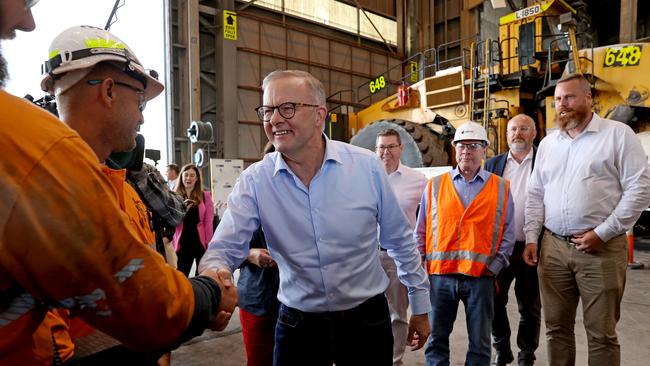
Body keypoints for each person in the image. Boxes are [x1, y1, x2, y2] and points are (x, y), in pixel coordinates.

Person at [0, 10, 235, 365]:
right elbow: (147, 306)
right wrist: (211, 294)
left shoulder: (117, 186)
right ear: (109, 91)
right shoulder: (48, 168)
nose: (142, 117)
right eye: (140, 102)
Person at [200, 69, 431, 365]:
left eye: (287, 108)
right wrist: (213, 279)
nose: (274, 119)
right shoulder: (256, 180)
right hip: (298, 326)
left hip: (366, 323)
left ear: (319, 114)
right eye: (267, 110)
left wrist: (420, 307)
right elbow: (225, 247)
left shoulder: (366, 168)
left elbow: (400, 241)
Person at [523, 73, 650, 366]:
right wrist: (532, 237)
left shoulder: (617, 135)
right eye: (557, 100)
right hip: (553, 248)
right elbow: (535, 193)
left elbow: (640, 189)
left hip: (601, 250)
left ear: (588, 98)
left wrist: (603, 233)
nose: (562, 105)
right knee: (556, 329)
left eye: (569, 97)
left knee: (601, 333)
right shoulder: (549, 144)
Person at [416, 121, 515, 366]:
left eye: (473, 146)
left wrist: (494, 267)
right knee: (436, 340)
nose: (466, 151)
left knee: (480, 345)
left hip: (480, 278)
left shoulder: (500, 187)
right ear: (454, 149)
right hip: (440, 278)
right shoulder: (435, 186)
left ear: (484, 150)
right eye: (461, 146)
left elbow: (508, 232)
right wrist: (420, 266)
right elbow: (421, 231)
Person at [485, 114, 541, 366]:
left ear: (534, 133)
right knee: (494, 302)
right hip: (499, 249)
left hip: (533, 247)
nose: (517, 134)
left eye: (524, 129)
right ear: (506, 134)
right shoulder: (492, 165)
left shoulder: (544, 161)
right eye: (513, 129)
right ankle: (502, 350)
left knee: (529, 307)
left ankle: (526, 354)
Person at [375, 128, 427, 366]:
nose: (386, 152)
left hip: (399, 258)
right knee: (367, 312)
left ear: (401, 148)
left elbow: (429, 219)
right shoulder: (367, 176)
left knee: (397, 314)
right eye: (381, 147)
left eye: (391, 146)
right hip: (367, 256)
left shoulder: (417, 180)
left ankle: (394, 361)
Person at [237, 143, 280, 366]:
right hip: (257, 296)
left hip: (299, 301)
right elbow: (228, 245)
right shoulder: (248, 197)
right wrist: (250, 254)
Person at [174, 164, 215, 277]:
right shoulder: (174, 196)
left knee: (202, 274)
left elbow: (208, 222)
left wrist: (209, 243)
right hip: (182, 241)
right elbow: (171, 219)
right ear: (181, 177)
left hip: (199, 241)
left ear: (197, 179)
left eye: (192, 175)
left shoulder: (205, 196)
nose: (188, 178)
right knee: (181, 275)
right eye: (186, 175)